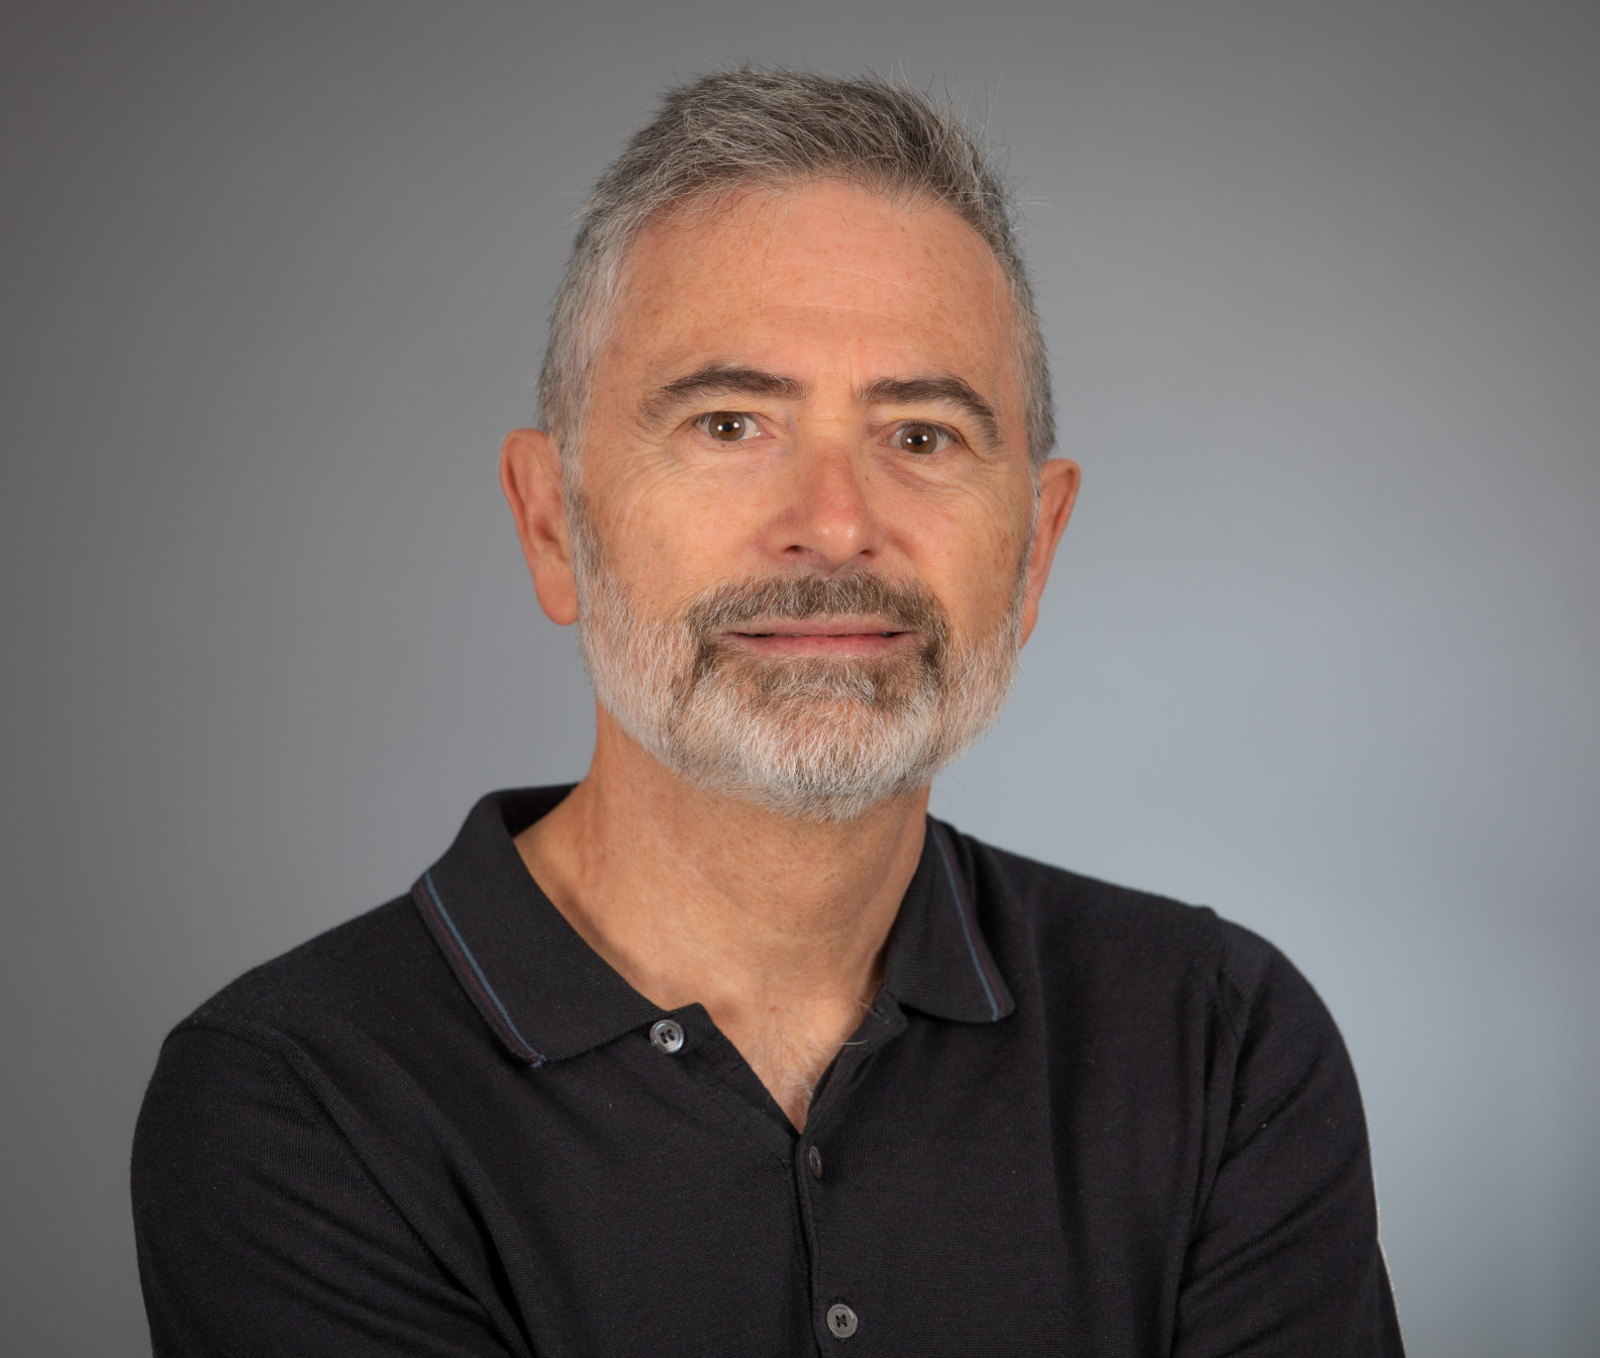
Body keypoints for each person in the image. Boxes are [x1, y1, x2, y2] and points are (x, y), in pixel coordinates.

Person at [131, 68, 1404, 1356]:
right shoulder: (302, 1102)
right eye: (731, 423)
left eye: (921, 436)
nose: (836, 525)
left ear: (1035, 549)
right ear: (551, 523)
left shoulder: (1218, 1044)